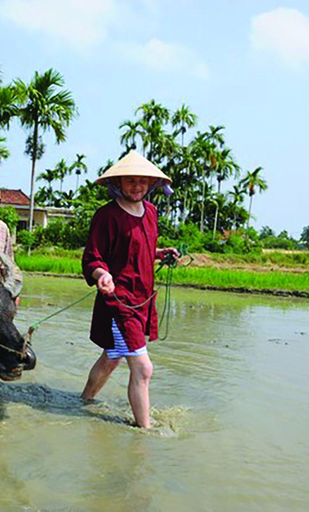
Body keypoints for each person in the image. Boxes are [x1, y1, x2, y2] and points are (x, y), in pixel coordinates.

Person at [80, 150, 179, 429]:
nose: (137, 186)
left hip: (142, 299)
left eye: (143, 181)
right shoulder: (106, 216)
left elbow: (139, 247)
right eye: (131, 181)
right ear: (118, 183)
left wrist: (159, 254)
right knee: (144, 369)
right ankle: (144, 431)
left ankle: (84, 401)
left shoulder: (150, 213)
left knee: (112, 357)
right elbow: (92, 257)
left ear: (151, 185)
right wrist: (102, 274)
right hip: (119, 302)